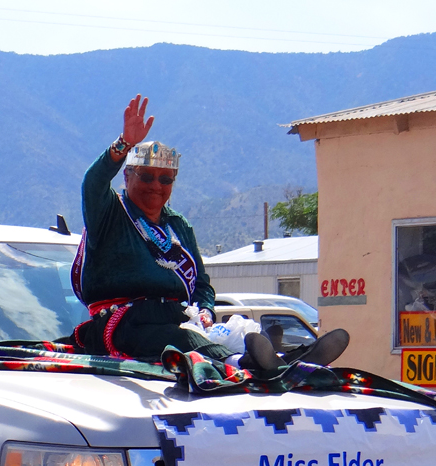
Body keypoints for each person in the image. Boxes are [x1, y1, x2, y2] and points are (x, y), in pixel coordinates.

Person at [71, 94, 347, 370]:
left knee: (225, 333)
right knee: (178, 340)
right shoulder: (110, 213)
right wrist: (125, 143)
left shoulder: (177, 225)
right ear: (127, 176)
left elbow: (201, 286)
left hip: (177, 316)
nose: (156, 185)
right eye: (147, 176)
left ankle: (287, 360)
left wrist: (205, 310)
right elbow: (92, 182)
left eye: (165, 179)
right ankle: (247, 364)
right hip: (125, 324)